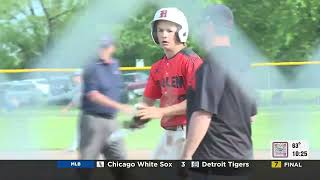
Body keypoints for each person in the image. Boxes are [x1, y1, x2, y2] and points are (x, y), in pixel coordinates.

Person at [182, 4, 257, 178]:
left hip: (214, 161)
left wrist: (186, 156)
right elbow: (251, 116)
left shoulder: (211, 64)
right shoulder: (244, 64)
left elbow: (203, 114)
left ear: (209, 27)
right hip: (243, 158)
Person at [136, 7, 203, 159]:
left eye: (169, 30)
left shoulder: (192, 62)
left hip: (190, 132)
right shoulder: (157, 67)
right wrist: (139, 117)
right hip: (169, 133)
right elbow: (147, 102)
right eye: (160, 30)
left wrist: (161, 111)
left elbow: (197, 101)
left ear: (181, 32)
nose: (164, 35)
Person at [61, 71, 82, 151]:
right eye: (73, 77)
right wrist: (67, 108)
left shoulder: (85, 85)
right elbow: (75, 100)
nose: (73, 78)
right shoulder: (78, 87)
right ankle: (74, 146)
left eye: (75, 76)